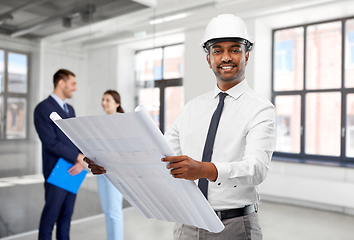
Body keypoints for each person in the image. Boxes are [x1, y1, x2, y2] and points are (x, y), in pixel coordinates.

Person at [86, 14, 276, 240]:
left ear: (246, 54)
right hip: (187, 222)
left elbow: (256, 169)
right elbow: (156, 155)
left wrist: (205, 169)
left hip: (234, 226)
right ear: (208, 58)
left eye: (234, 49)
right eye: (217, 50)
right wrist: (110, 165)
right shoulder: (192, 108)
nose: (226, 57)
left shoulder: (261, 109)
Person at [34, 69, 86, 240]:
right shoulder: (43, 108)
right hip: (56, 171)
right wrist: (77, 157)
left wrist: (80, 161)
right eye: (73, 84)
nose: (75, 88)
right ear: (61, 83)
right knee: (50, 218)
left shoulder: (70, 109)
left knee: (66, 218)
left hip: (74, 170)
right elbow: (50, 142)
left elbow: (76, 139)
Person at [98, 90, 124, 240]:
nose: (104, 103)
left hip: (115, 172)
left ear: (117, 103)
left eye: (107, 100)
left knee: (114, 212)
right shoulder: (102, 121)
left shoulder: (122, 121)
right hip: (101, 171)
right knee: (108, 212)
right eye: (103, 99)